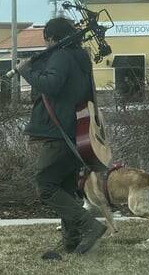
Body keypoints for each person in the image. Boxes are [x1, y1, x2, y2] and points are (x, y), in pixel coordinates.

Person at [16, 16, 106, 258]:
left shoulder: (60, 56)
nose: (46, 45)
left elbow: (52, 85)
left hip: (58, 131)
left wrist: (28, 71)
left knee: (45, 185)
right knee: (65, 186)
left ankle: (90, 226)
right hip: (77, 130)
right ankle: (72, 241)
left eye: (47, 40)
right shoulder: (81, 57)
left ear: (52, 38)